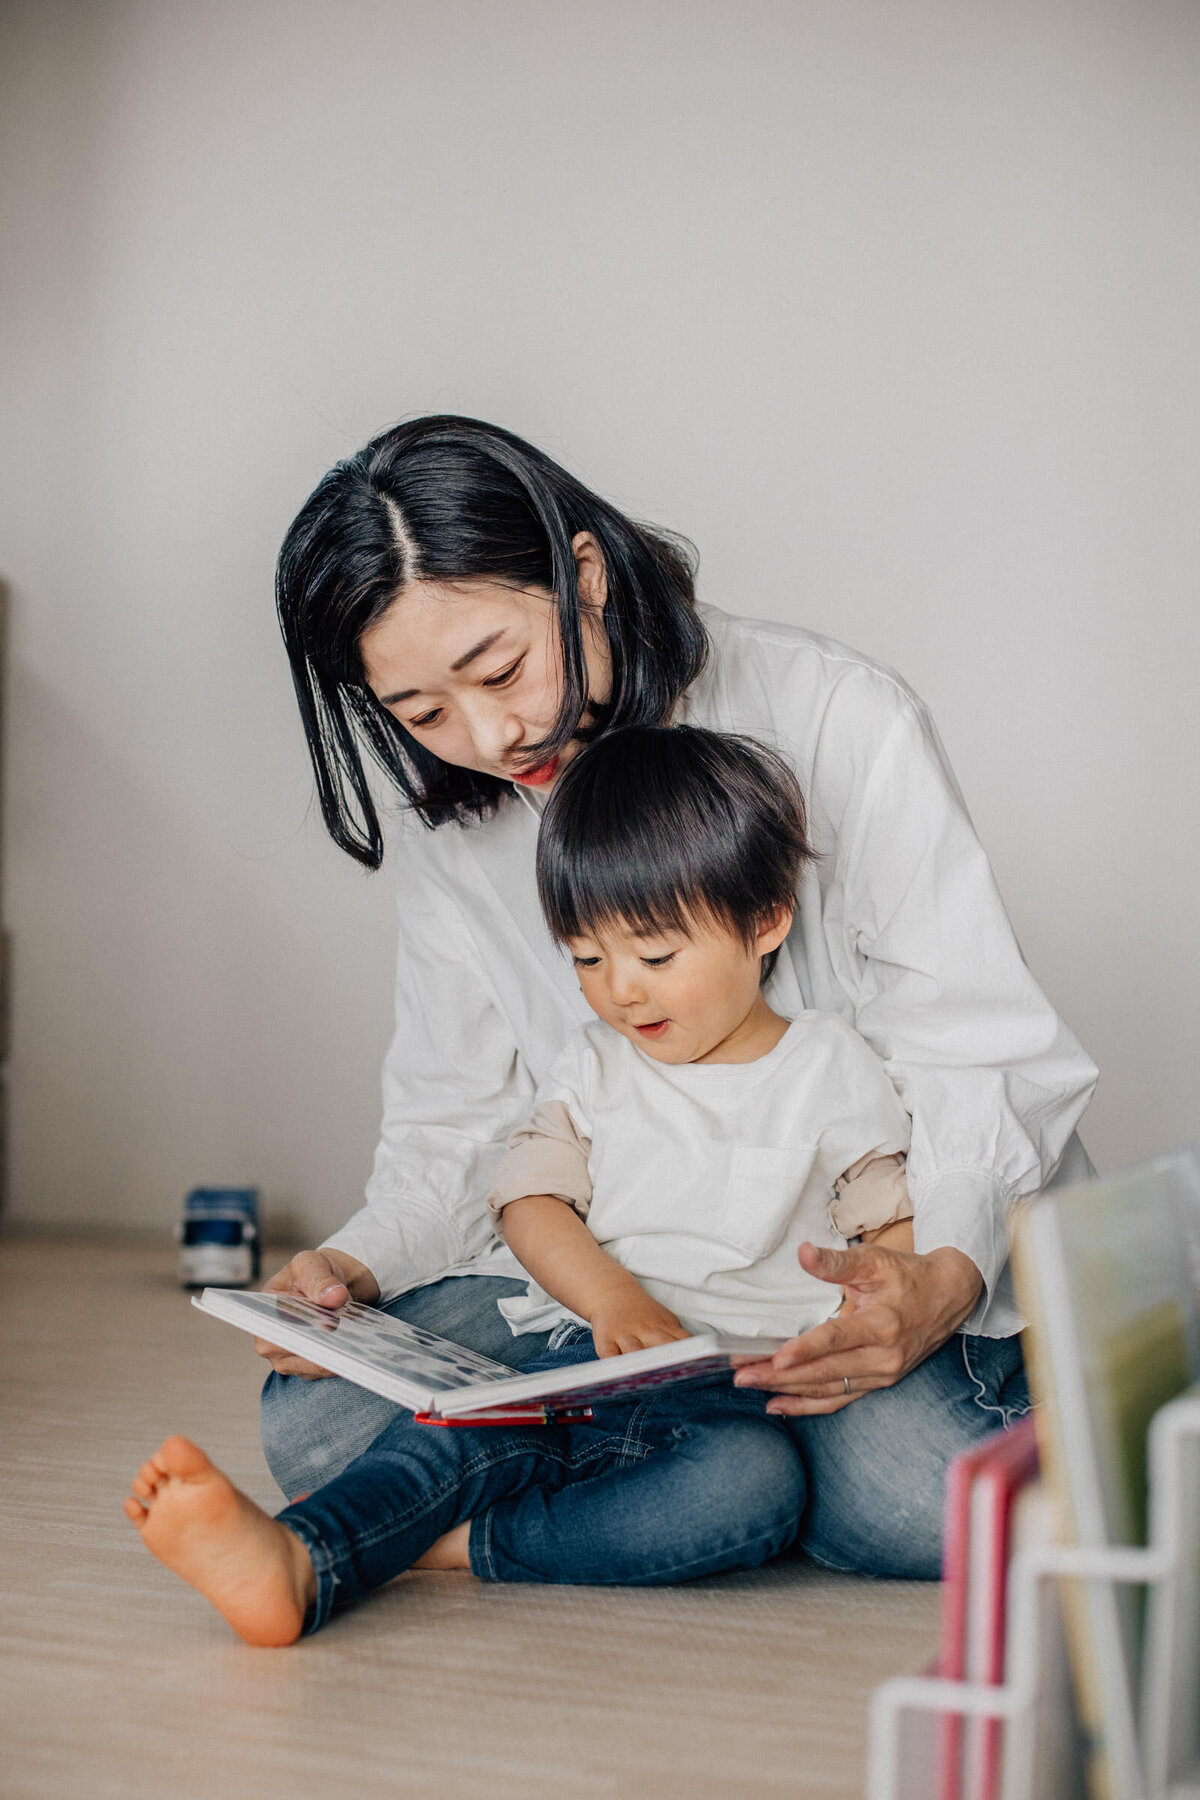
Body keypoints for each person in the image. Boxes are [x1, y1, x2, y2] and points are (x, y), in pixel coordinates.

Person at [257, 414, 1097, 1579]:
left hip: (841, 1280)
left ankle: (654, 1485)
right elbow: (459, 1127)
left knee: (916, 1504)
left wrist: (936, 1281)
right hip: (623, 1295)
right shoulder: (461, 827)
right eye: (422, 713)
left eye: (501, 669)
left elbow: (972, 1050)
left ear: (583, 575)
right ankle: (715, 1479)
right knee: (312, 1423)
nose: (492, 736)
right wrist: (350, 1268)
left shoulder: (835, 716)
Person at [123, 724, 926, 1642]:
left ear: (766, 921)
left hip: (734, 1394)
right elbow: (530, 1201)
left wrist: (865, 1314)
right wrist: (613, 1301)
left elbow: (884, 1223)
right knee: (460, 1437)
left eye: (655, 957)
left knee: (754, 1493)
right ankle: (301, 1555)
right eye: (586, 959)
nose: (622, 991)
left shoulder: (830, 1064)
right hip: (584, 1353)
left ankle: (455, 1547)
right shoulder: (594, 1066)